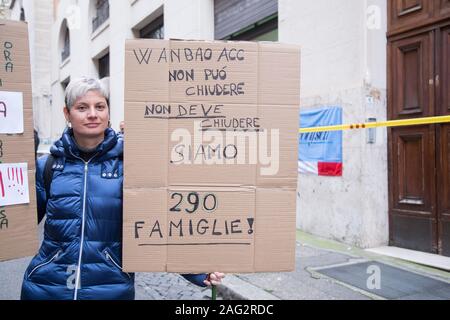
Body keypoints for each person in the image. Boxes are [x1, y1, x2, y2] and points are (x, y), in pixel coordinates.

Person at [21, 77, 224, 300]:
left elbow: (159, 224)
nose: (92, 114)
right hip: (46, 288)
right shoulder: (47, 167)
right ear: (67, 114)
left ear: (108, 112)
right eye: (82, 107)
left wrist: (198, 271)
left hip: (110, 289)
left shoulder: (132, 164)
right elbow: (17, 226)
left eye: (100, 106)